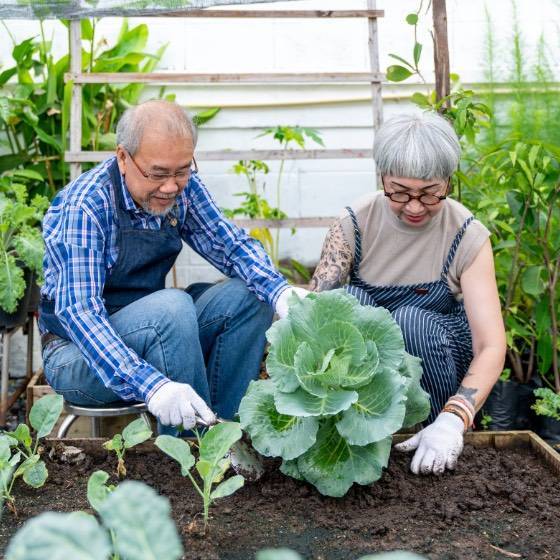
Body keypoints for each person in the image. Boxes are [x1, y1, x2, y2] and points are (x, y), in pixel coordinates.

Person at [39, 99, 306, 432]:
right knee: (170, 309)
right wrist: (153, 385)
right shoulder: (85, 206)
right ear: (123, 158)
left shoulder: (181, 187)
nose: (171, 186)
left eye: (182, 170)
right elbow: (80, 314)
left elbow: (228, 243)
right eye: (158, 173)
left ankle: (227, 432)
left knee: (249, 296)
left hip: (152, 332)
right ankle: (192, 453)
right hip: (78, 357)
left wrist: (280, 291)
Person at [309, 112, 506, 475]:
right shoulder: (353, 225)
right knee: (352, 305)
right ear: (381, 176)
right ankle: (359, 444)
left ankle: (435, 445)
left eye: (430, 193)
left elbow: (490, 345)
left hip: (439, 359)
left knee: (410, 321)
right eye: (399, 192)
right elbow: (313, 322)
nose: (415, 207)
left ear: (448, 180)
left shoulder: (467, 236)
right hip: (368, 378)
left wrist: (454, 418)